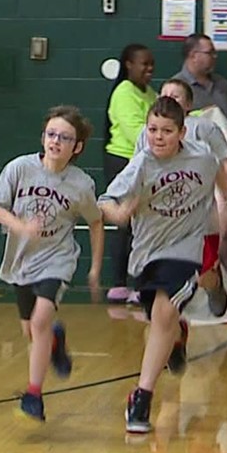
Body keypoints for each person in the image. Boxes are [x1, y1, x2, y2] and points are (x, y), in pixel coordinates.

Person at [100, 97, 227, 433]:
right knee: (160, 318)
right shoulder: (142, 164)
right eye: (153, 130)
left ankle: (142, 396)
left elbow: (219, 174)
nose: (158, 137)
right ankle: (177, 336)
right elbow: (106, 200)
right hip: (148, 251)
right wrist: (119, 213)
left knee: (165, 312)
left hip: (185, 248)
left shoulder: (201, 157)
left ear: (182, 133)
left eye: (167, 131)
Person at [0, 106, 105, 422]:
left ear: (77, 147)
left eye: (64, 137)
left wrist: (95, 267)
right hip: (22, 260)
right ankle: (54, 340)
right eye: (51, 134)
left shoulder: (80, 184)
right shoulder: (19, 168)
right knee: (31, 330)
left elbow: (96, 222)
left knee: (39, 321)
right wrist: (21, 227)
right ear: (43, 138)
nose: (55, 141)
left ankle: (34, 394)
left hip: (57, 259)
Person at [137, 79, 227, 316]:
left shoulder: (204, 129)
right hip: (163, 215)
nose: (169, 99)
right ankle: (172, 327)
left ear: (189, 104)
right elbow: (138, 171)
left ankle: (214, 284)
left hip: (200, 214)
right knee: (166, 284)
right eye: (165, 95)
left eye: (176, 96)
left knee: (201, 272)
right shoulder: (147, 133)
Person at [104, 44, 156, 304]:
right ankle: (120, 284)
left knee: (142, 225)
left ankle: (139, 283)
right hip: (123, 161)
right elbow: (136, 132)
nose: (149, 69)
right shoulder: (124, 92)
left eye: (151, 64)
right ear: (129, 65)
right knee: (125, 225)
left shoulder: (149, 93)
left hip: (142, 162)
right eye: (144, 64)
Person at [173, 34, 227, 134]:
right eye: (210, 53)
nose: (215, 56)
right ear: (193, 56)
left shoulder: (221, 82)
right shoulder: (176, 87)